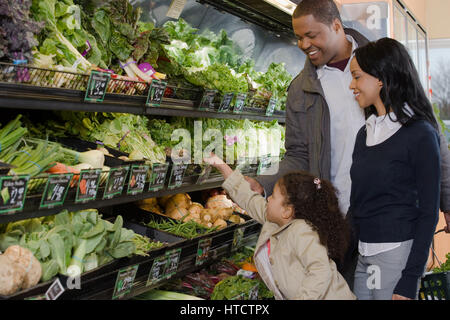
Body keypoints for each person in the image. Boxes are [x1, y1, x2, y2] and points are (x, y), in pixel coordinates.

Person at [244, 0, 450, 288]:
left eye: (311, 35)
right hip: (334, 224)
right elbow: (298, 155)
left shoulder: (382, 64)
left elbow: (428, 132)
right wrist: (264, 183)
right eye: (299, 37)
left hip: (389, 222)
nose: (304, 44)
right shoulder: (300, 89)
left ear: (336, 26)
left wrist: (446, 199)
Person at [348, 37, 440, 300]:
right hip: (363, 254)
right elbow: (359, 204)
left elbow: (428, 213)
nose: (351, 85)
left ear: (380, 78)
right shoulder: (364, 134)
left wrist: (410, 280)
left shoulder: (419, 134)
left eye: (356, 76)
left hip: (395, 255)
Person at [204, 153, 356, 300]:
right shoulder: (276, 221)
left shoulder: (303, 231)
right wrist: (221, 165)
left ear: (287, 211)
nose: (268, 198)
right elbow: (250, 199)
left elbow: (320, 271)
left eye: (274, 196)